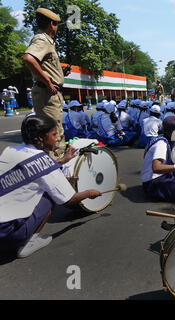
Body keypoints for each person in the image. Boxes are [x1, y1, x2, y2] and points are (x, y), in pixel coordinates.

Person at [0, 115, 102, 258]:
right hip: (8, 237)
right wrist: (89, 193)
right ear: (41, 137)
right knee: (49, 195)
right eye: (54, 134)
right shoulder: (43, 161)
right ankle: (28, 243)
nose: (57, 139)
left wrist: (62, 160)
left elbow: (32, 170)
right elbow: (69, 199)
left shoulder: (10, 151)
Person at [23, 8, 71, 159]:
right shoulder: (42, 39)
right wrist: (49, 81)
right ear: (51, 24)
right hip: (48, 94)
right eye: (56, 24)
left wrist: (60, 73)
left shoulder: (47, 41)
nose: (57, 27)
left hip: (47, 92)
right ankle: (57, 168)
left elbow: (43, 66)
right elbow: (28, 59)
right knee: (53, 134)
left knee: (51, 132)